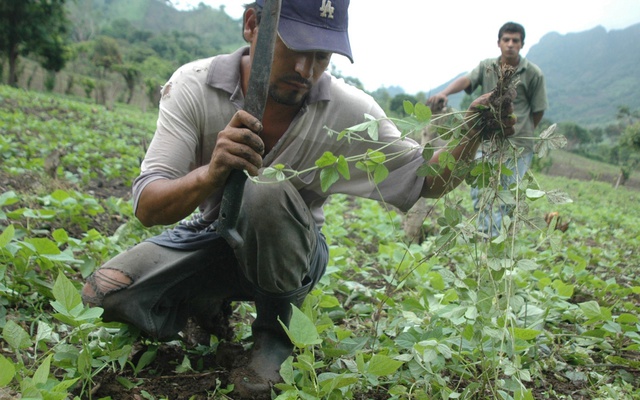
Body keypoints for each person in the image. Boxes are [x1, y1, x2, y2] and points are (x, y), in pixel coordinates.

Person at [81, 1, 515, 398]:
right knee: (106, 293)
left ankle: (276, 333)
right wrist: (211, 172)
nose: (306, 69)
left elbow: (428, 180)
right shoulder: (195, 86)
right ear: (253, 25)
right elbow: (148, 206)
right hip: (211, 237)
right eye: (295, 48)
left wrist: (475, 130)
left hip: (293, 254)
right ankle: (204, 306)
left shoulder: (349, 112)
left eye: (322, 57)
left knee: (264, 189)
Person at [427, 22, 548, 238]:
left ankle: (500, 238)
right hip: (486, 140)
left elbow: (538, 110)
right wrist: (444, 93)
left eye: (515, 41)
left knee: (508, 193)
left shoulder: (533, 73)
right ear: (499, 43)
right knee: (480, 188)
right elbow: (467, 80)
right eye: (506, 40)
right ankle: (485, 235)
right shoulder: (487, 67)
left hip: (517, 144)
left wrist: (523, 129)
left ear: (522, 44)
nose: (510, 44)